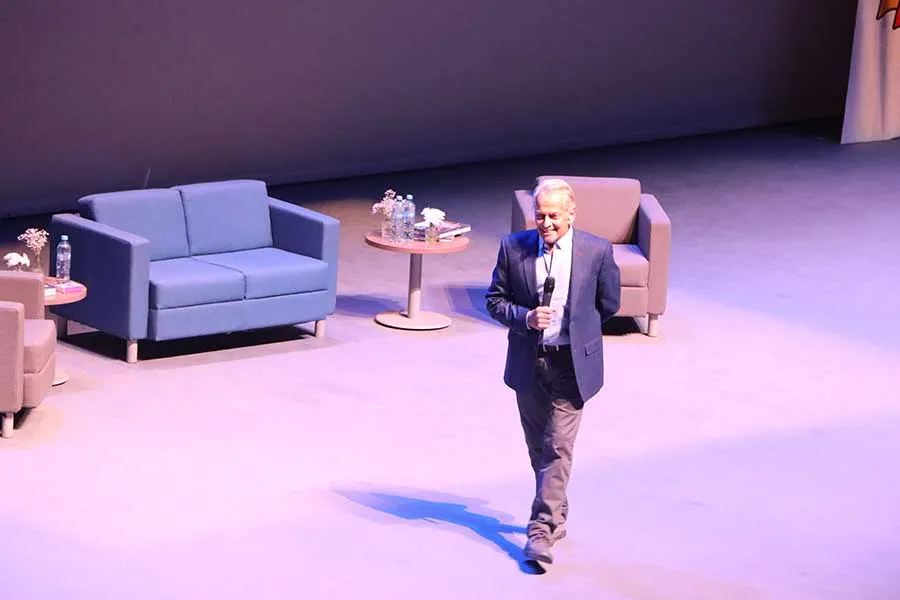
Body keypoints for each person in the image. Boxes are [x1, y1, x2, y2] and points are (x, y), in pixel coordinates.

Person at [485, 178, 621, 564]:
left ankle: (541, 530)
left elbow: (608, 303)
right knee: (539, 448)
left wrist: (578, 332)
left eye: (554, 216)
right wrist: (526, 318)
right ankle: (556, 510)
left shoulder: (596, 251)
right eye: (540, 215)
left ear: (571, 214)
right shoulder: (513, 248)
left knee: (558, 447)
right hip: (529, 363)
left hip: (571, 366)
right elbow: (494, 301)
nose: (546, 223)